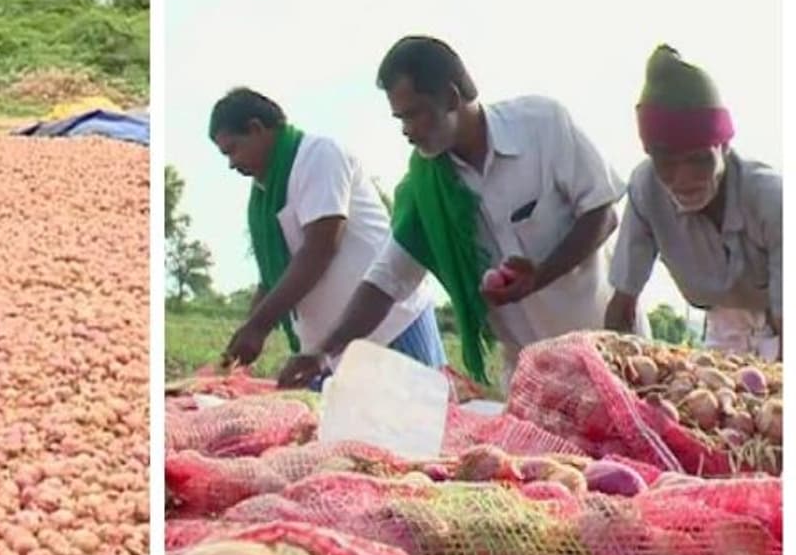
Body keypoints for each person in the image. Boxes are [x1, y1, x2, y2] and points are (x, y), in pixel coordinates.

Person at [279, 35, 639, 391]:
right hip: (535, 381)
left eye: (415, 114)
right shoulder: (427, 188)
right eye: (399, 118)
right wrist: (324, 351)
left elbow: (602, 213)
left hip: (612, 354)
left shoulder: (542, 125)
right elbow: (386, 280)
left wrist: (540, 275)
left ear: (451, 97)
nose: (407, 130)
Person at [212, 87, 445, 387]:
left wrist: (259, 325)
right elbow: (271, 278)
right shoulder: (264, 196)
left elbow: (321, 248)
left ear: (256, 129)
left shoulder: (318, 155)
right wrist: (246, 333)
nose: (231, 163)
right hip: (328, 350)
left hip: (392, 327)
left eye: (232, 149)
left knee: (416, 424)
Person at [606, 45, 782, 360]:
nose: (684, 179)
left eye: (699, 160)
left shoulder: (771, 199)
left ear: (725, 146)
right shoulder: (646, 189)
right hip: (720, 330)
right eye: (666, 162)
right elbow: (621, 306)